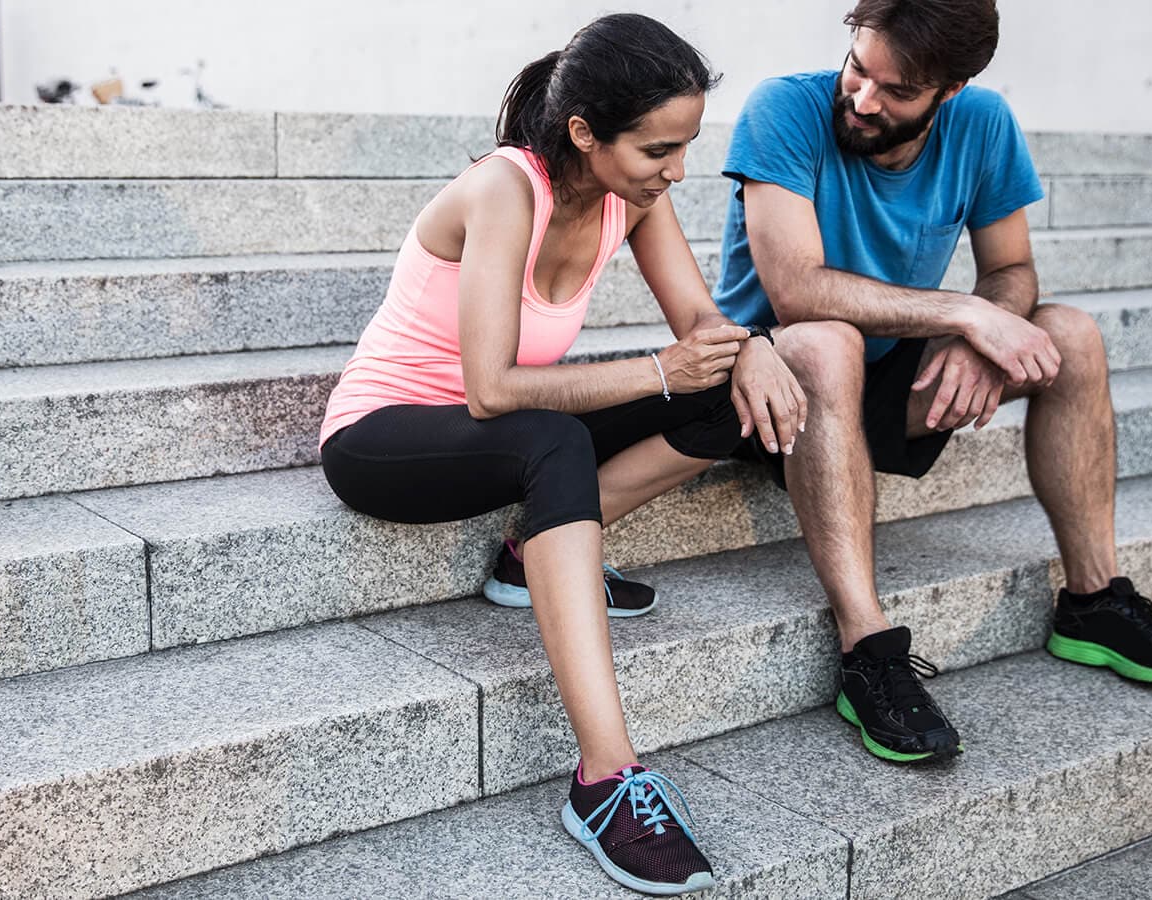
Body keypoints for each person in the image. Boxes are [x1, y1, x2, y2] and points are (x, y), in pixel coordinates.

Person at [318, 13, 805, 894]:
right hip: (385, 436)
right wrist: (660, 365)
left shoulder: (633, 195)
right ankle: (605, 780)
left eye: (687, 145)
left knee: (722, 395)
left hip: (498, 431)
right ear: (584, 132)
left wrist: (754, 348)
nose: (678, 170)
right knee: (552, 435)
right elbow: (491, 391)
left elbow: (702, 323)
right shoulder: (506, 189)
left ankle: (528, 562)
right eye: (659, 148)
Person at [714, 0, 1152, 764]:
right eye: (858, 68)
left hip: (882, 381)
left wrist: (984, 333)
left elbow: (1012, 270)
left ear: (950, 89)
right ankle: (868, 650)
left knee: (1070, 335)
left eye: (898, 90)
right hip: (766, 388)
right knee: (826, 343)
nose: (864, 98)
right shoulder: (782, 108)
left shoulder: (982, 123)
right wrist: (962, 316)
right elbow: (796, 292)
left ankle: (1093, 601)